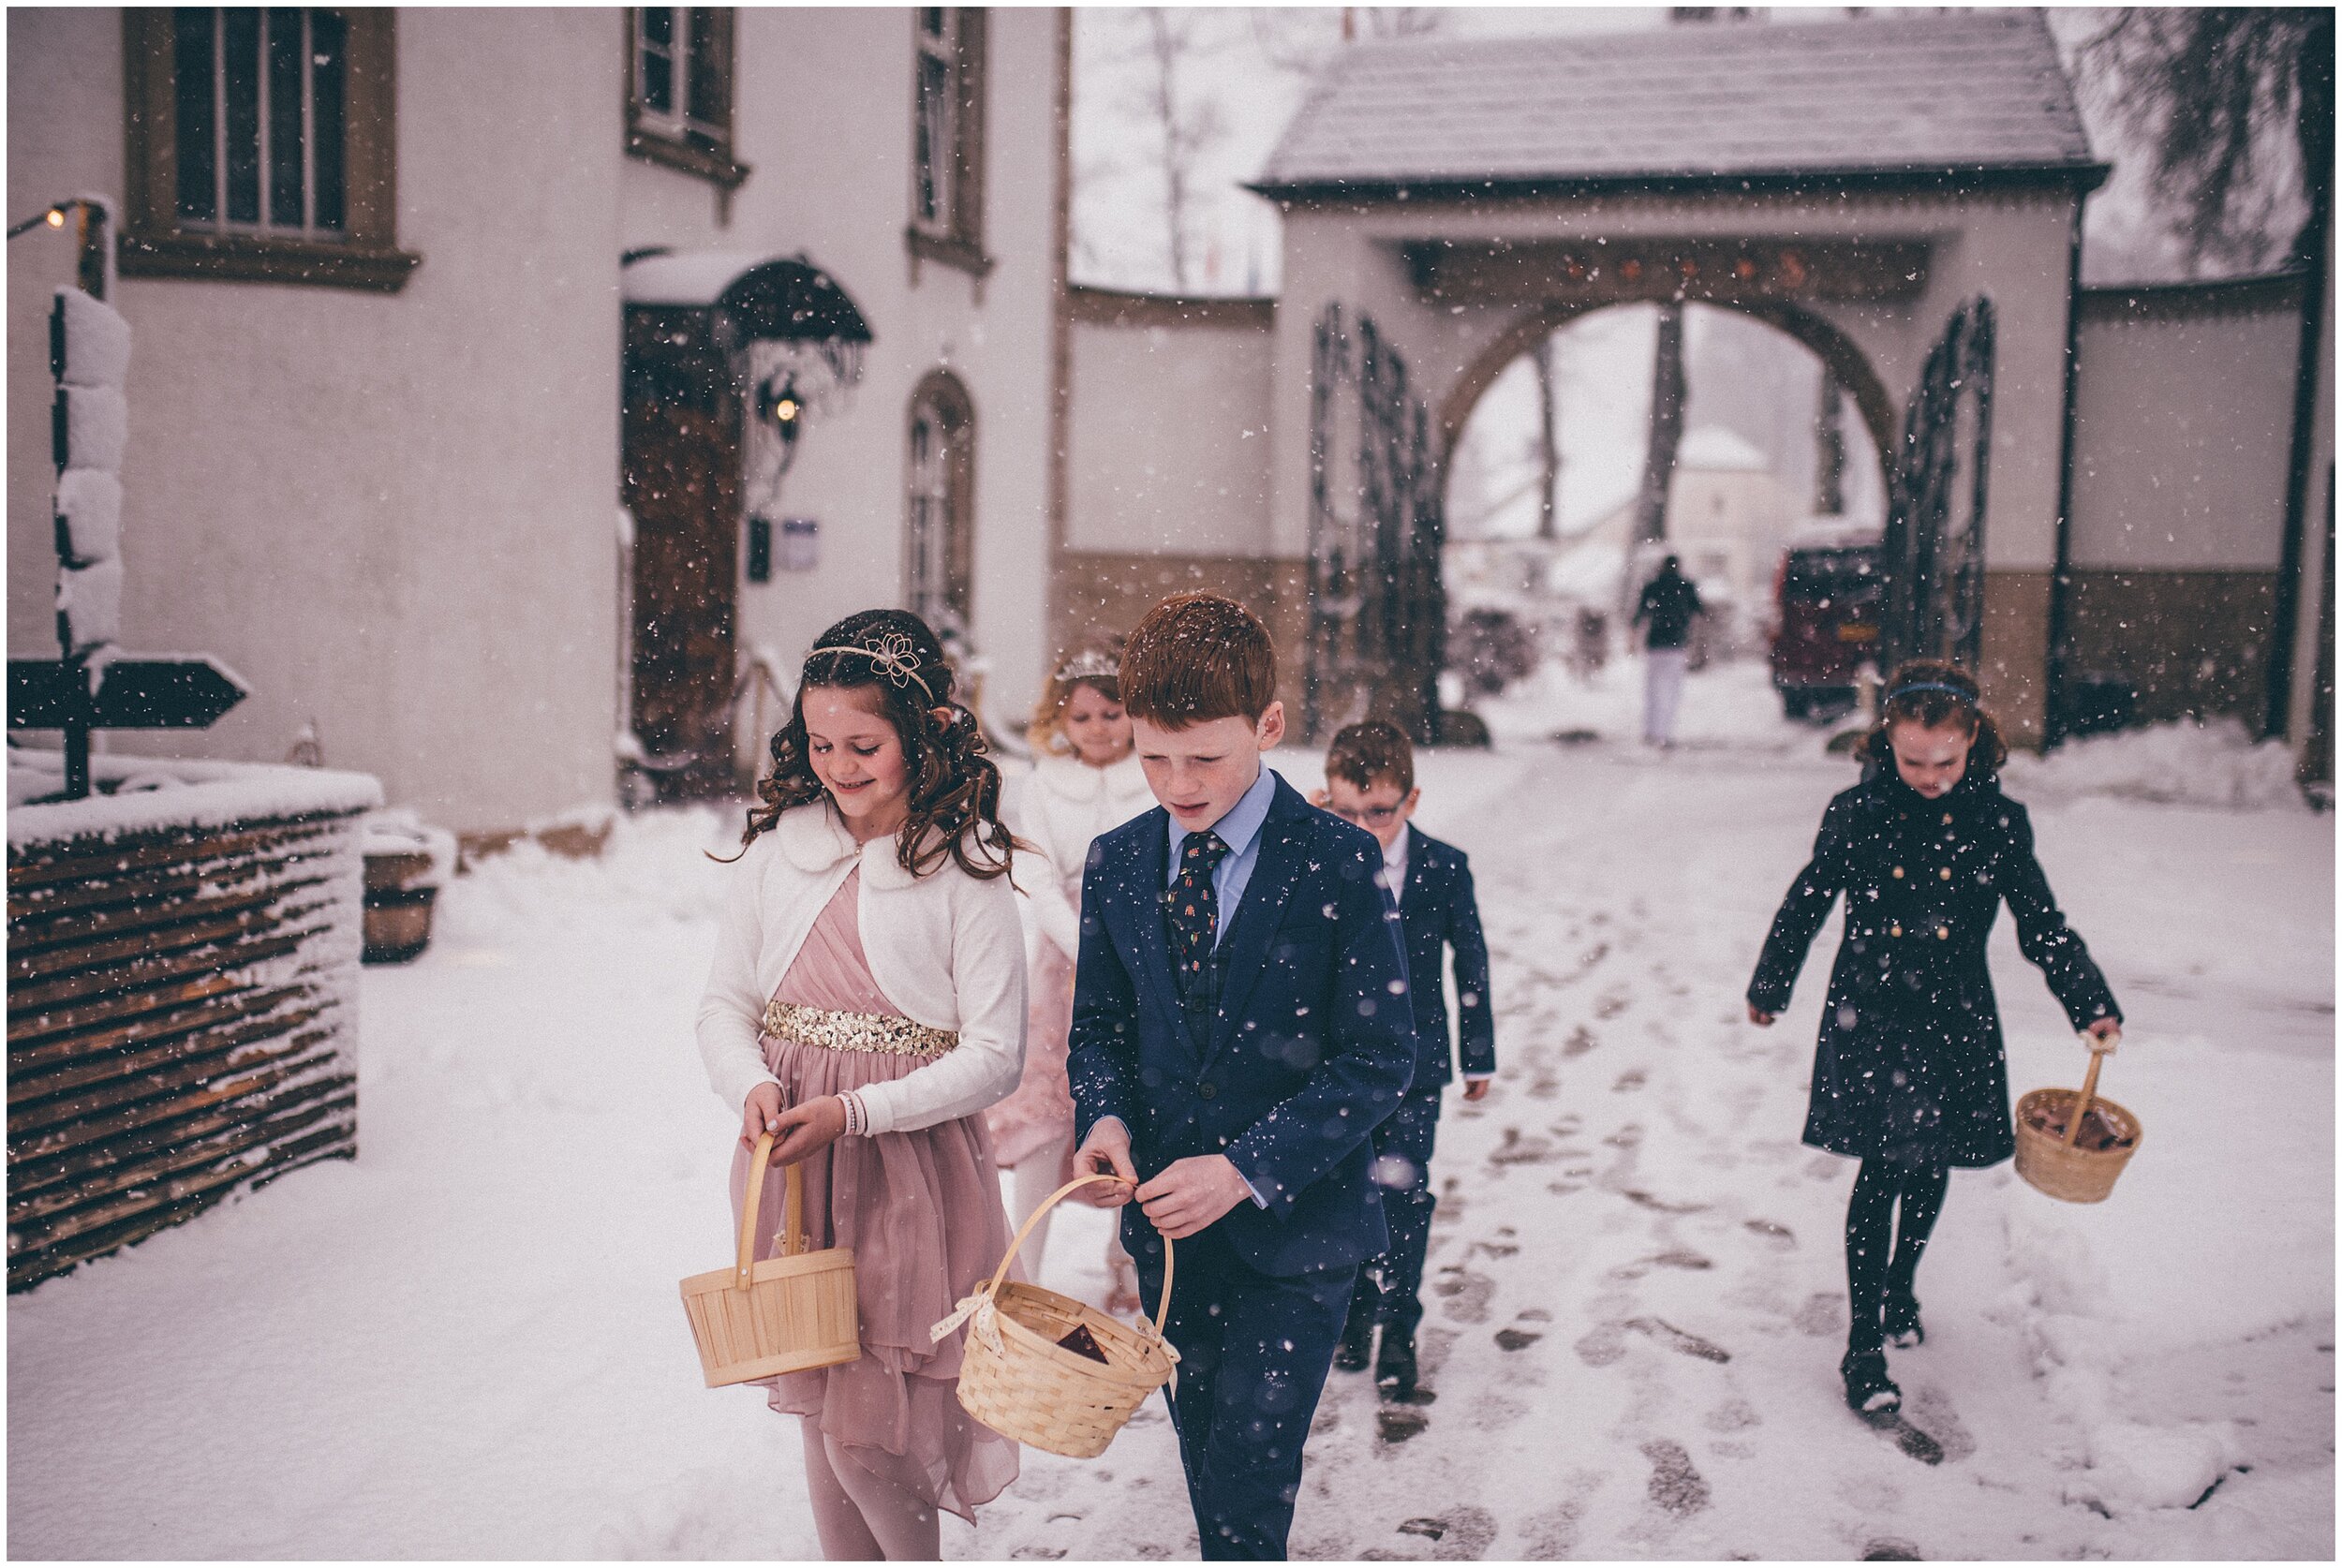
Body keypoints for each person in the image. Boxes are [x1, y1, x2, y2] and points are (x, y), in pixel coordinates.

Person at [1066, 593, 1416, 1561]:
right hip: (1173, 1242)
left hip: (1298, 1230)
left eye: (1204, 758)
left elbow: (1383, 1055)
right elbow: (1097, 1026)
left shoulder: (1338, 860)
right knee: (1205, 1453)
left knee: (1249, 1478)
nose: (1176, 783)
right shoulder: (1117, 862)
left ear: (1267, 726)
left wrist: (1245, 1167)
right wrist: (1103, 1121)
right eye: (1152, 756)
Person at [697, 609, 1030, 1561]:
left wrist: (857, 1109)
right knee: (820, 1418)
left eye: (864, 744)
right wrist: (750, 1083)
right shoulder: (779, 852)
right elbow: (724, 1003)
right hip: (793, 1169)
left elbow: (996, 1054)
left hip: (910, 1176)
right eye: (820, 742)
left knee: (865, 1435)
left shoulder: (965, 870)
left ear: (920, 735)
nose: (839, 765)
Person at [1745, 659, 2123, 1418]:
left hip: (1954, 1013)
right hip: (1872, 1010)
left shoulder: (1998, 823)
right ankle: (1862, 1347)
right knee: (1882, 1169)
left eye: (1943, 762)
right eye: (1911, 759)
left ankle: (1900, 1284)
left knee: (1931, 1162)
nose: (1927, 776)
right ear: (1886, 741)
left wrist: (2088, 1001)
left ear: (1973, 740)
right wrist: (1771, 983)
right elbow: (1806, 900)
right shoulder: (1856, 813)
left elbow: (2041, 925)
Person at [1311, 720, 1496, 1404]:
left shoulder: (1444, 867)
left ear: (1410, 801)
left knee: (1403, 1195)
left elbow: (1469, 962)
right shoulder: (1317, 858)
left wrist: (1479, 1051)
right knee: (1342, 1192)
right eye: (1346, 812)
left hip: (1416, 1066)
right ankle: (1356, 1309)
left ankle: (1399, 1326)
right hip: (1334, 1063)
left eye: (1379, 811)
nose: (1364, 826)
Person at [996, 641, 1153, 1301]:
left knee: (1136, 1102)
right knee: (1050, 1106)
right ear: (1060, 719)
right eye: (1082, 717)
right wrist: (1083, 941)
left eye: (1111, 714)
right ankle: (1019, 1268)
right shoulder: (1042, 787)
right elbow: (1030, 868)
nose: (1097, 730)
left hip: (1148, 961)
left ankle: (1130, 1256)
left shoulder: (1153, 777)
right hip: (1065, 965)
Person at [1632, 554, 1705, 747]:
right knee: (1672, 691)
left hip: (1655, 644)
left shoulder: (1652, 587)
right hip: (1677, 644)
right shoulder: (1686, 586)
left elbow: (1639, 615)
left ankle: (1651, 730)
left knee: (1653, 690)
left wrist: (1632, 639)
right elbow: (1700, 612)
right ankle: (1665, 733)